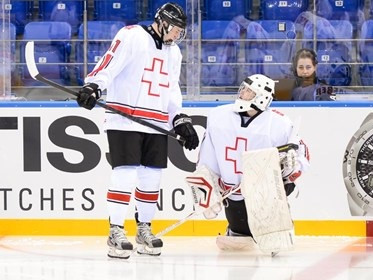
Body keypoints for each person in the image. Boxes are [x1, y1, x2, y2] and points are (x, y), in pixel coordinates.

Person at [75, 2, 199, 259]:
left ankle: (144, 228)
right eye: (175, 29)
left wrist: (179, 117)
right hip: (125, 118)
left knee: (152, 177)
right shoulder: (131, 35)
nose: (177, 35)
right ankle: (116, 230)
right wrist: (94, 85)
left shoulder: (173, 53)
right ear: (162, 21)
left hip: (155, 121)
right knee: (126, 173)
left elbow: (171, 89)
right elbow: (109, 62)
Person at [196, 74, 310, 250]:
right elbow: (206, 158)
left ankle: (276, 228)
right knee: (239, 236)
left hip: (264, 193)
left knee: (271, 237)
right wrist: (209, 191)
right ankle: (237, 230)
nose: (242, 92)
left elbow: (301, 155)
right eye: (243, 88)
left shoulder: (279, 124)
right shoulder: (219, 116)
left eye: (249, 91)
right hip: (231, 192)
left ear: (262, 98)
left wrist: (289, 172)